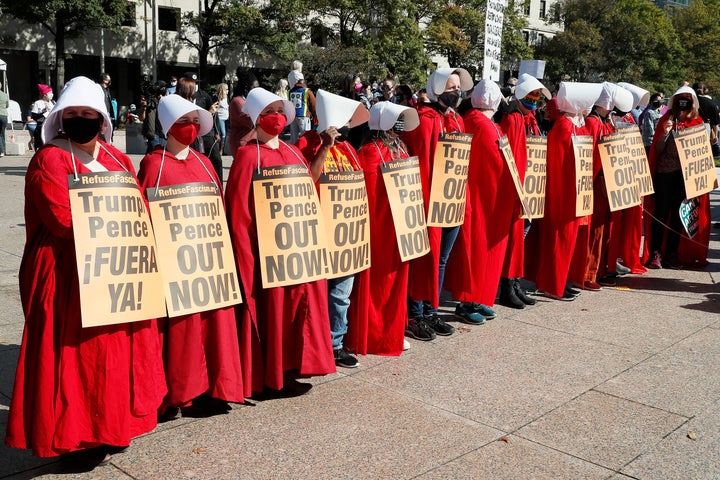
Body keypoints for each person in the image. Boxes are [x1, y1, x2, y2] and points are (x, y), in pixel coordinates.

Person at [4, 76, 167, 465]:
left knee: (114, 354)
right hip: (67, 274)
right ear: (60, 117)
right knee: (77, 358)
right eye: (72, 113)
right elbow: (62, 219)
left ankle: (113, 425)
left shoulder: (117, 158)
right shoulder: (50, 158)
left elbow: (138, 209)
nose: (80, 119)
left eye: (88, 114)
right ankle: (75, 436)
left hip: (117, 272)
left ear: (101, 118)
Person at [137, 94, 246, 416]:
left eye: (194, 122)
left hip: (208, 261)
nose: (190, 128)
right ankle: (178, 392)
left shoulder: (204, 162)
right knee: (183, 332)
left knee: (213, 328)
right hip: (176, 264)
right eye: (183, 122)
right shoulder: (153, 164)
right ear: (169, 126)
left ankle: (213, 387)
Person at [225, 88, 335, 396]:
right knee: (273, 314)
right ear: (258, 118)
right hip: (268, 255)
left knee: (295, 313)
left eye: (280, 110)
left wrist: (324, 150)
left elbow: (308, 181)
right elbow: (239, 212)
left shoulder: (292, 151)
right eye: (271, 111)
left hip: (296, 250)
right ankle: (270, 377)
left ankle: (288, 369)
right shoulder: (248, 156)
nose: (278, 117)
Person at [295, 89, 370, 367]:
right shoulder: (306, 143)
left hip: (347, 235)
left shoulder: (349, 149)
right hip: (320, 232)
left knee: (341, 295)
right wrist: (325, 146)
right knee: (320, 293)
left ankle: (335, 341)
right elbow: (306, 179)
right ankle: (318, 343)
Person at [402, 67, 474, 337]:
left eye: (458, 88)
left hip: (451, 200)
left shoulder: (456, 119)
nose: (456, 92)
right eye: (451, 87)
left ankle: (431, 310)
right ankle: (415, 313)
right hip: (428, 200)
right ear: (437, 89)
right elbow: (420, 162)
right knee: (425, 259)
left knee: (441, 259)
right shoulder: (424, 119)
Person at [346, 101, 420, 356]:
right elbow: (369, 195)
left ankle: (393, 331)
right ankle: (376, 335)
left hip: (400, 226)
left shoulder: (399, 146)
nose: (400, 124)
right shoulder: (370, 151)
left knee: (396, 282)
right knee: (379, 284)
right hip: (380, 229)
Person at [531, 82, 599, 301]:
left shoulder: (572, 124)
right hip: (564, 195)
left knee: (569, 241)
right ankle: (553, 284)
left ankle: (563, 280)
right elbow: (561, 165)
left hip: (575, 192)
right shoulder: (563, 126)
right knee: (559, 240)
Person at [495, 73, 550, 308]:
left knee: (521, 237)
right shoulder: (512, 118)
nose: (535, 100)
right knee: (514, 238)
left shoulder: (531, 119)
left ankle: (514, 282)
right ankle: (507, 285)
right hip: (519, 187)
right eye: (531, 96)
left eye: (538, 96)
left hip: (530, 187)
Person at [645, 85, 705, 269]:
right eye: (681, 97)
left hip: (685, 177)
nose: (683, 101)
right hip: (665, 174)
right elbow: (658, 149)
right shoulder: (666, 119)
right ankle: (655, 252)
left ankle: (672, 253)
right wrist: (665, 133)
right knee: (661, 214)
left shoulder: (697, 122)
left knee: (679, 217)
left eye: (687, 98)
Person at [176, 72, 223, 182]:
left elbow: (214, 115)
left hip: (207, 134)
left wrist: (217, 132)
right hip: (191, 135)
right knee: (195, 161)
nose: (195, 86)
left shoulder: (204, 95)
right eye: (192, 83)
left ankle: (218, 184)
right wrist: (209, 112)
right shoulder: (179, 99)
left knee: (216, 159)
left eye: (196, 83)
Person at [227, 68, 259, 156]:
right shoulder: (238, 102)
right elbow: (252, 121)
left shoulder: (249, 101)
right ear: (246, 87)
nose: (257, 90)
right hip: (242, 143)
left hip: (252, 142)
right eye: (255, 87)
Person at [288, 70, 316, 143]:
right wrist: (315, 117)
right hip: (304, 117)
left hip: (293, 117)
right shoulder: (307, 91)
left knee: (293, 139)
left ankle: (293, 152)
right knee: (306, 137)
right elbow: (314, 106)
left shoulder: (289, 92)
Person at [141, 81, 167, 152]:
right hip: (154, 134)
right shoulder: (151, 101)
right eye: (163, 88)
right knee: (156, 155)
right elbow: (142, 118)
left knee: (151, 156)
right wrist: (144, 108)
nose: (164, 89)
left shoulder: (165, 100)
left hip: (163, 134)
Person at [30, 84, 54, 150]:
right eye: (50, 93)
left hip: (52, 129)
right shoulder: (38, 103)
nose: (52, 94)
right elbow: (34, 117)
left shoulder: (53, 103)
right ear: (45, 94)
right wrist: (45, 113)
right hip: (41, 128)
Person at [99, 73, 115, 140]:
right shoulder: (99, 89)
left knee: (109, 130)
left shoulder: (107, 90)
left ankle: (109, 142)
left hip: (108, 113)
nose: (110, 81)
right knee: (103, 131)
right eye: (109, 79)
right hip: (103, 113)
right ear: (104, 80)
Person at [216, 83, 230, 154]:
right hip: (220, 117)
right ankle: (220, 150)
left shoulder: (227, 97)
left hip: (226, 117)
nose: (227, 91)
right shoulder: (218, 97)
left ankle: (223, 149)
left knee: (225, 134)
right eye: (226, 89)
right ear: (222, 89)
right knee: (223, 133)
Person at [0, 80, 8, 157]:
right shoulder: (5, 95)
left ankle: (1, 151)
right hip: (4, 115)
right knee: (2, 133)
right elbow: (7, 105)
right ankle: (3, 150)